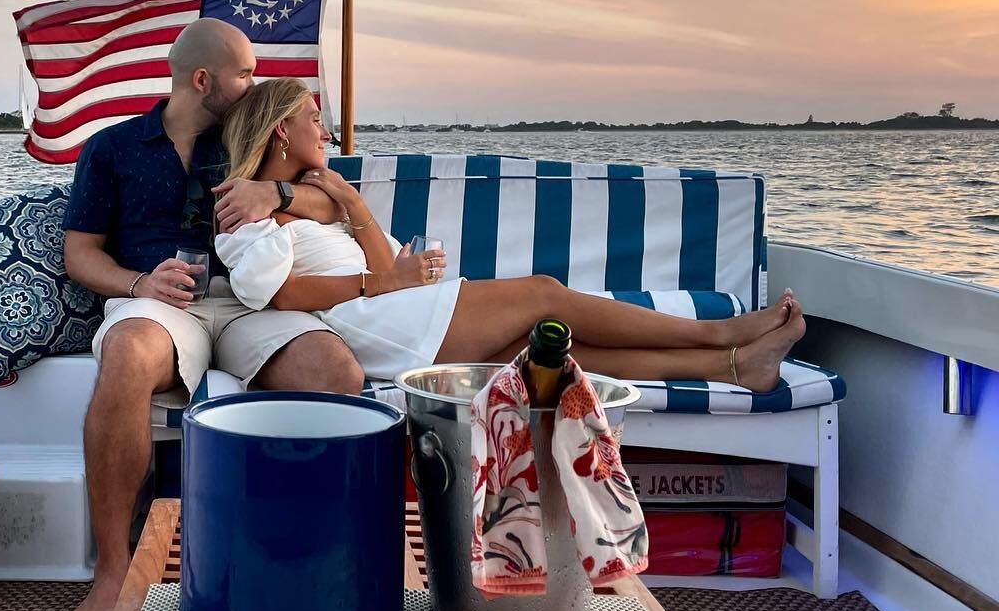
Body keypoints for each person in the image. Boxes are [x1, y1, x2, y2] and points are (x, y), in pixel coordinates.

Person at [61, 20, 363, 611]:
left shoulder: (250, 134)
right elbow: (80, 254)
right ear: (203, 80)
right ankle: (113, 571)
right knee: (125, 353)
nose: (254, 83)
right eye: (244, 72)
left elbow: (331, 200)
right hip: (163, 300)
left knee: (336, 372)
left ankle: (304, 554)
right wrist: (136, 285)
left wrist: (272, 190)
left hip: (259, 300)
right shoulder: (112, 148)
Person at [215, 78, 807, 389]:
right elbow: (280, 293)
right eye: (313, 117)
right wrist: (377, 281)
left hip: (396, 310)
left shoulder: (322, 195)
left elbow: (386, 259)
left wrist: (349, 198)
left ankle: (730, 367)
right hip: (374, 325)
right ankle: (719, 331)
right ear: (279, 131)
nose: (326, 126)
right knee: (542, 294)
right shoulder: (245, 213)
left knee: (547, 352)